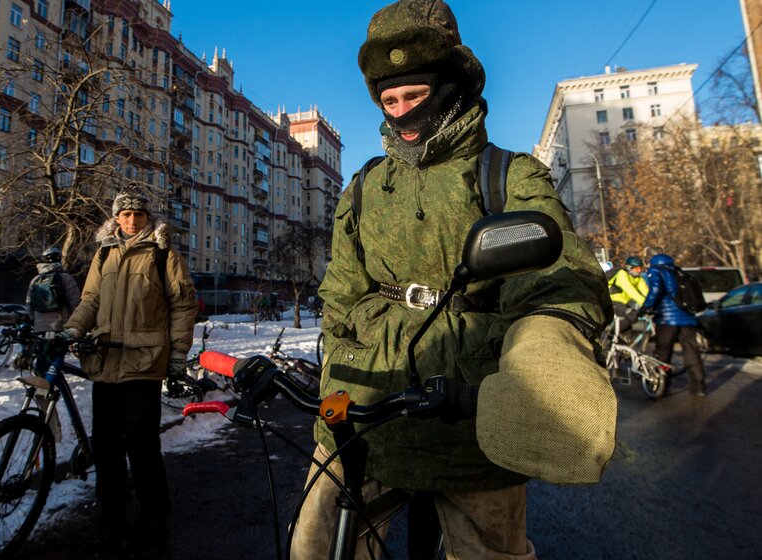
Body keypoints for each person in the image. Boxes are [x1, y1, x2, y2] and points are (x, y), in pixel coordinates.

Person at [292, 2, 617, 558]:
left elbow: (554, 274)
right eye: (389, 100)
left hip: (470, 408)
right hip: (371, 402)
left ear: (450, 86)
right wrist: (337, 372)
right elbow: (341, 291)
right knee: (318, 544)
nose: (402, 113)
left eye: (414, 96)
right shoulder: (365, 186)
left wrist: (547, 347)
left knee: (491, 550)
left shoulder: (507, 174)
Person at [61, 186, 198, 551]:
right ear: (116, 217)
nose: (132, 220)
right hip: (105, 361)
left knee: (140, 444)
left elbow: (183, 305)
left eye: (138, 214)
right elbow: (90, 299)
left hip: (144, 362)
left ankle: (154, 515)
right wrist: (73, 329)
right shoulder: (103, 253)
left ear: (146, 217)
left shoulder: (160, 252)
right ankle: (111, 518)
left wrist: (178, 355)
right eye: (126, 214)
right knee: (104, 446)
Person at [640, 254, 707, 397]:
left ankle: (662, 384)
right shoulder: (679, 272)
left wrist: (645, 307)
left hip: (667, 319)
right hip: (688, 318)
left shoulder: (656, 271)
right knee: (691, 351)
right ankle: (698, 386)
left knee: (663, 351)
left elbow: (656, 290)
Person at [25, 247, 81, 334]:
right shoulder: (65, 278)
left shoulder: (35, 280)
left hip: (40, 325)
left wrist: (32, 319)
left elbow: (29, 303)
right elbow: (75, 302)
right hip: (60, 324)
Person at [608, 256, 649, 336]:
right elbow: (631, 291)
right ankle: (611, 334)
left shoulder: (638, 278)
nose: (639, 271)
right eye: (637, 269)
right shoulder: (622, 274)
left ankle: (620, 343)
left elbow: (646, 292)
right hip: (611, 301)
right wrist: (646, 304)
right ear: (629, 267)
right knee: (631, 316)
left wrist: (653, 303)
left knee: (628, 333)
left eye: (641, 268)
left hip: (623, 303)